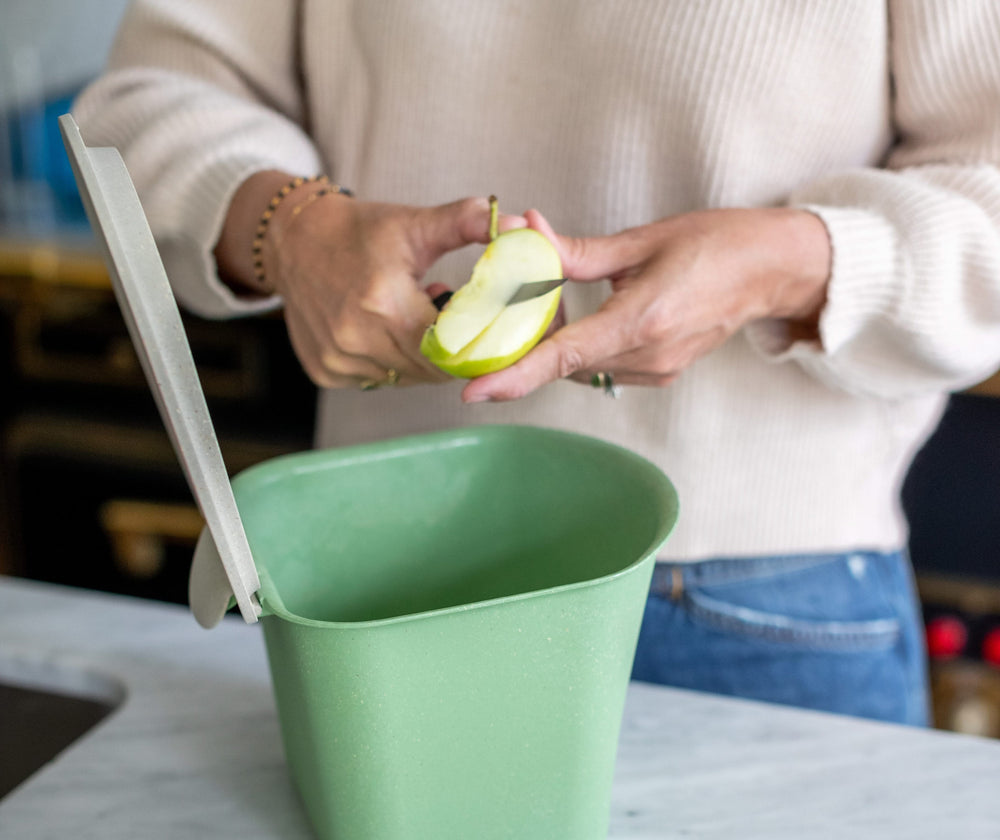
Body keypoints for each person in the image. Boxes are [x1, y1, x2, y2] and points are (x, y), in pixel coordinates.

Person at [74, 0, 1000, 726]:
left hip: (766, 596)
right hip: (384, 567)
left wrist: (793, 267)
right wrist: (287, 227)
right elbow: (145, 99)